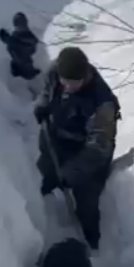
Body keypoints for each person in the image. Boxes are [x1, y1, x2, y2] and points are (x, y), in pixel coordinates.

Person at [34, 46, 120, 250]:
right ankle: (37, 211)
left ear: (85, 76)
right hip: (58, 139)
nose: (67, 85)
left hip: (89, 153)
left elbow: (98, 149)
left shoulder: (102, 105)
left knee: (87, 200)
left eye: (73, 82)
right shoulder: (57, 71)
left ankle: (92, 241)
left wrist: (72, 172)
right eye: (64, 80)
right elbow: (48, 90)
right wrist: (43, 106)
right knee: (44, 174)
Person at [0, 12, 41, 80]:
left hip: (29, 74)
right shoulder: (16, 36)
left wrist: (7, 38)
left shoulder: (29, 37)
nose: (20, 26)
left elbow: (20, 44)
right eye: (17, 24)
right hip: (18, 74)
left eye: (22, 23)